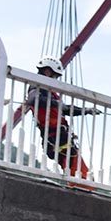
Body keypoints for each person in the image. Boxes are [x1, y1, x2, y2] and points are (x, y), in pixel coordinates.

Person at [27, 56, 99, 184]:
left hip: (60, 137)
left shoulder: (48, 91)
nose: (55, 79)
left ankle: (80, 188)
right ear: (47, 71)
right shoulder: (37, 85)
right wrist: (56, 103)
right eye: (54, 75)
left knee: (76, 170)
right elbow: (32, 99)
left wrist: (85, 110)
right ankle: (81, 189)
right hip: (55, 137)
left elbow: (66, 109)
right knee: (78, 171)